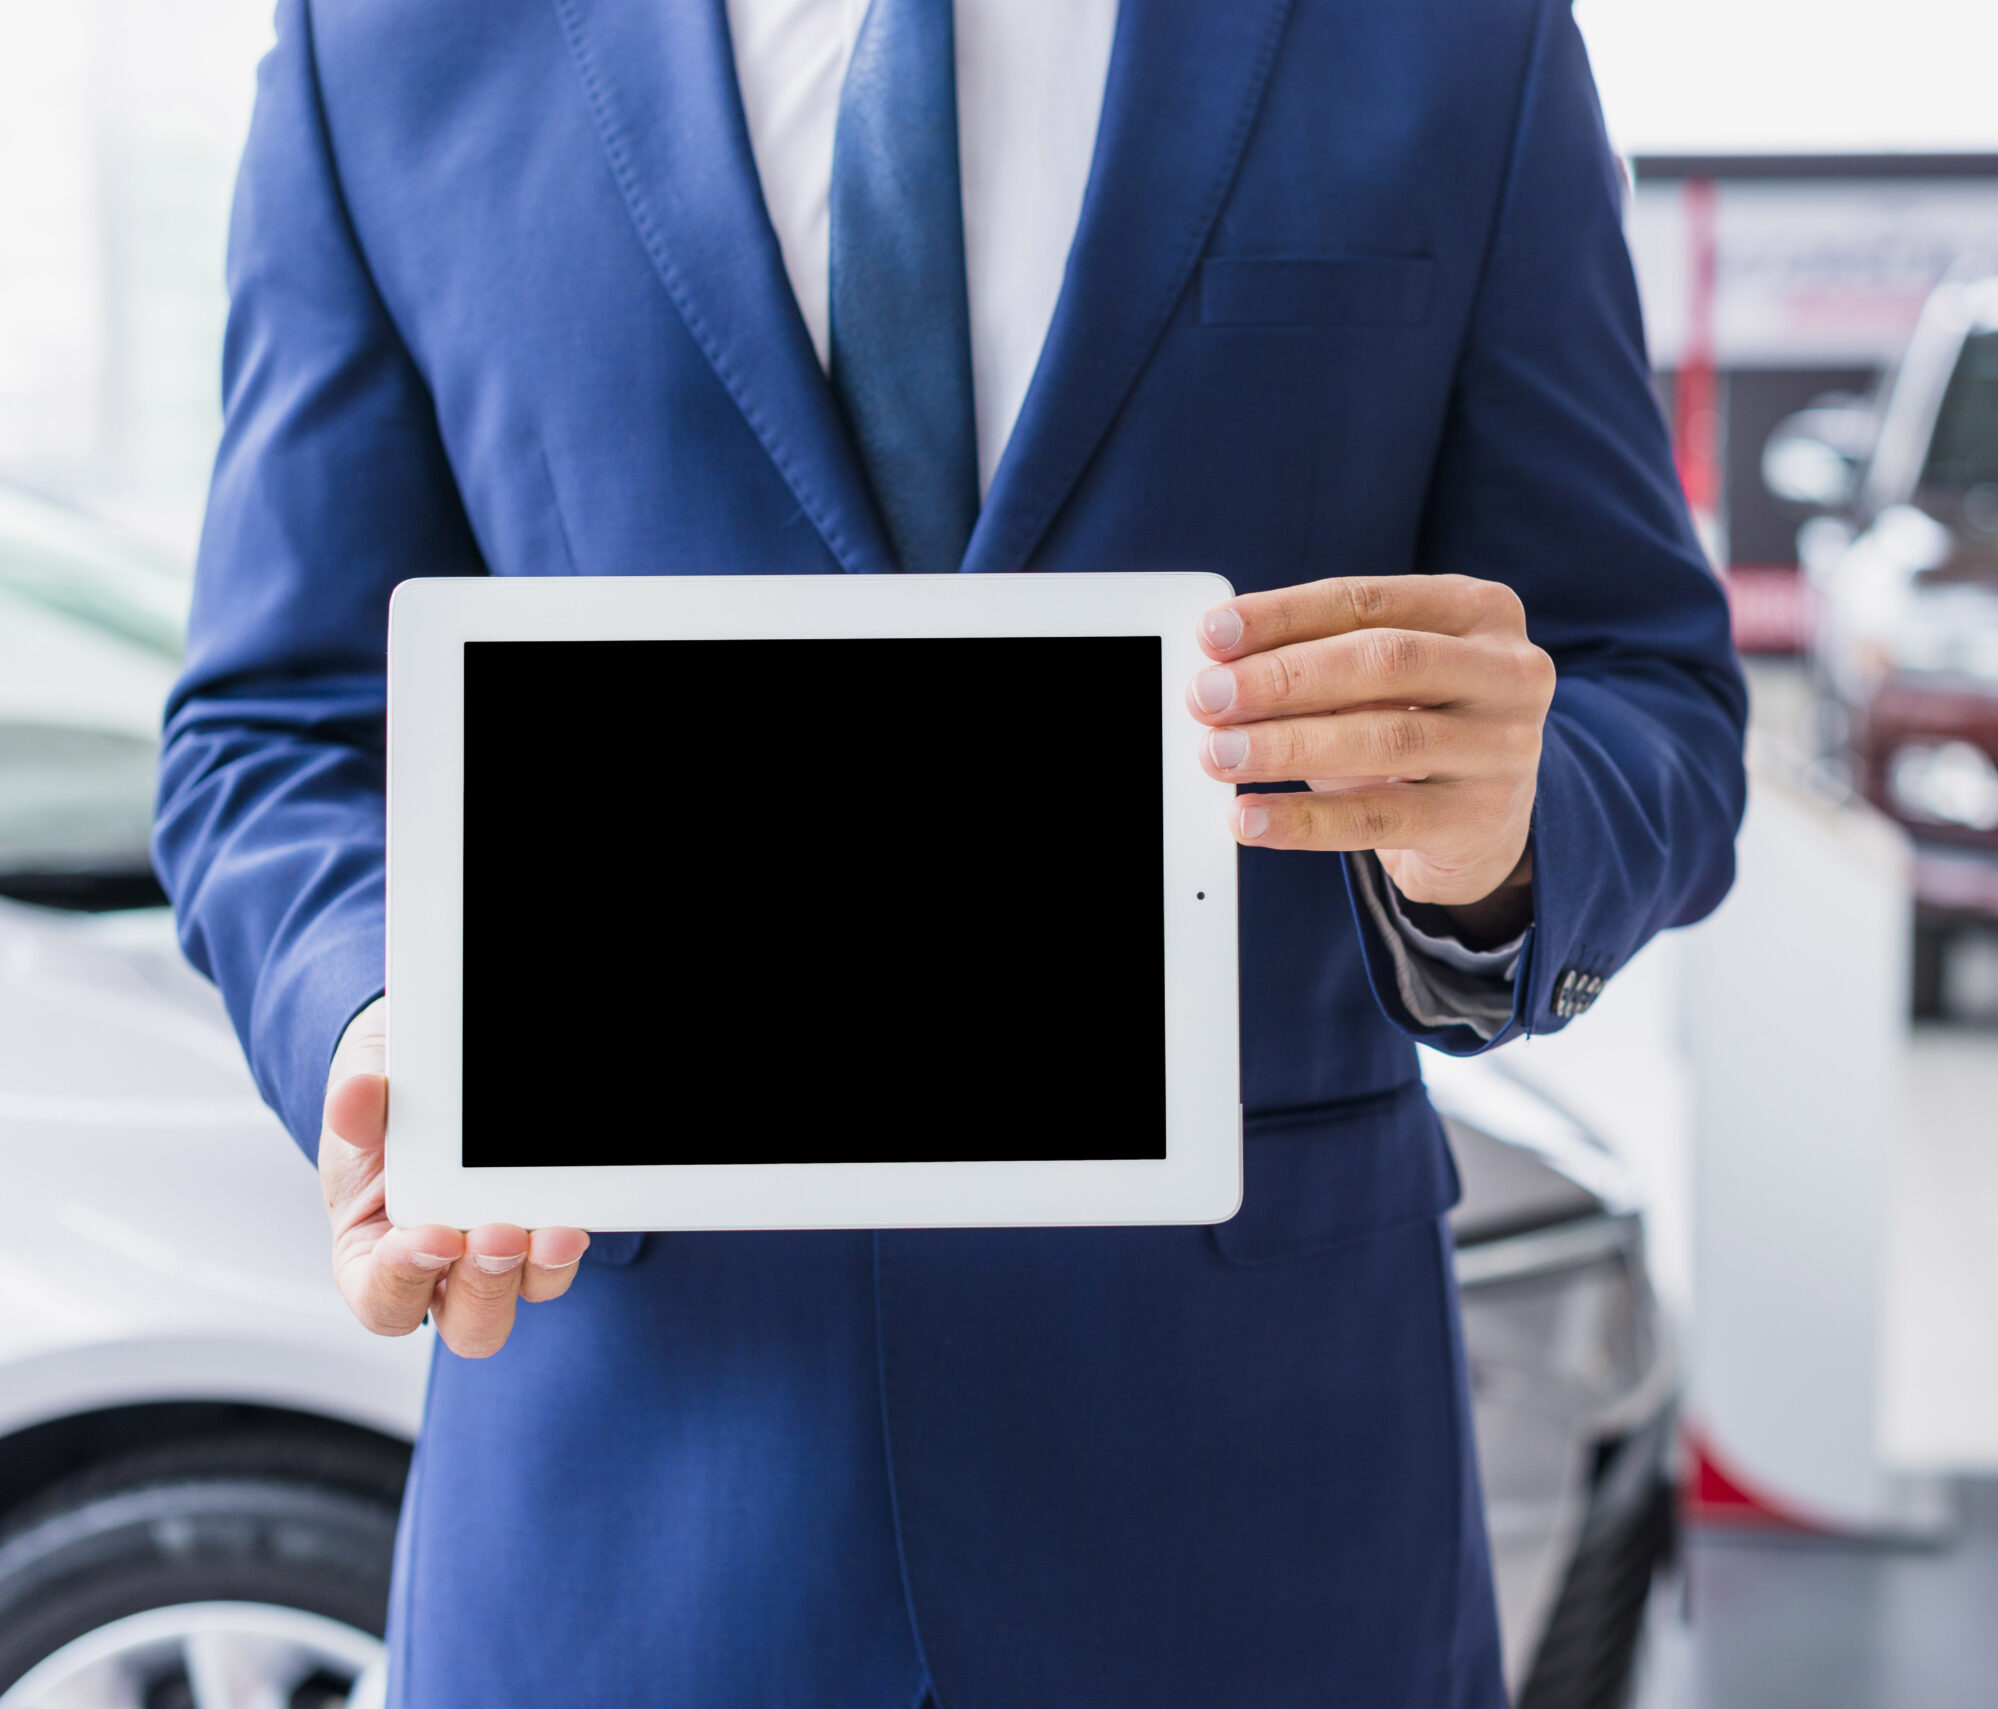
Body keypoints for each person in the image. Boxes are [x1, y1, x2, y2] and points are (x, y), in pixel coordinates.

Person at [155, 0, 1748, 1701]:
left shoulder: (1445, 34)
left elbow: (1651, 695)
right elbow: (272, 730)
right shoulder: (393, 41)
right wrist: (386, 1011)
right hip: (638, 1527)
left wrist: (1501, 837)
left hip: (1255, 1528)